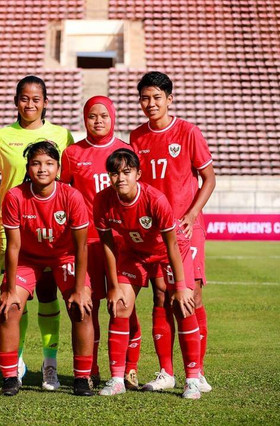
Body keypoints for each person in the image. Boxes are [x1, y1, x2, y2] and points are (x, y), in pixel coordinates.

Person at [0, 76, 74, 390]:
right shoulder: (1, 136)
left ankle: (49, 365)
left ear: (45, 102)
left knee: (48, 295)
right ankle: (15, 364)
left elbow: (71, 179)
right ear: (16, 100)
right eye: (24, 98)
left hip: (53, 234)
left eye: (36, 99)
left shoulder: (62, 135)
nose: (29, 104)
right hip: (13, 233)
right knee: (15, 301)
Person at [93, 148, 202, 399]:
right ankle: (117, 378)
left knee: (183, 305)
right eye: (115, 173)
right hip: (134, 254)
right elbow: (108, 243)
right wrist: (114, 285)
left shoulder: (155, 199)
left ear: (138, 174)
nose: (121, 178)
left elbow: (173, 244)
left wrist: (182, 286)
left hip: (169, 253)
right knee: (120, 306)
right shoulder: (102, 200)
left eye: (127, 172)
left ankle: (193, 380)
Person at [130, 72, 215, 393]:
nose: (150, 104)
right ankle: (166, 371)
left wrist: (192, 215)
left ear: (169, 99)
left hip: (186, 228)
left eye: (156, 97)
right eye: (144, 98)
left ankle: (198, 371)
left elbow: (208, 178)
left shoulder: (188, 132)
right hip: (155, 232)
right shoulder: (136, 136)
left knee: (190, 297)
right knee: (162, 296)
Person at [0, 141, 93, 397]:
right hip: (28, 259)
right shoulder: (15, 196)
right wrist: (8, 288)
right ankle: (9, 375)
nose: (42, 169)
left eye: (49, 163)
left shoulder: (71, 196)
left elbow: (81, 246)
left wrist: (82, 288)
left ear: (58, 168)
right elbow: (14, 247)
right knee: (10, 307)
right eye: (36, 163)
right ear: (28, 168)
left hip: (64, 257)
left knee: (80, 307)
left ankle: (81, 378)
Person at [60, 96, 141, 389]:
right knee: (87, 307)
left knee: (123, 305)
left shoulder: (126, 151)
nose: (98, 121)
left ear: (113, 118)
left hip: (121, 242)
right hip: (86, 243)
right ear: (84, 118)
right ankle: (90, 369)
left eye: (103, 115)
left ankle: (129, 369)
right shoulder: (71, 154)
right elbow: (65, 194)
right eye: (92, 115)